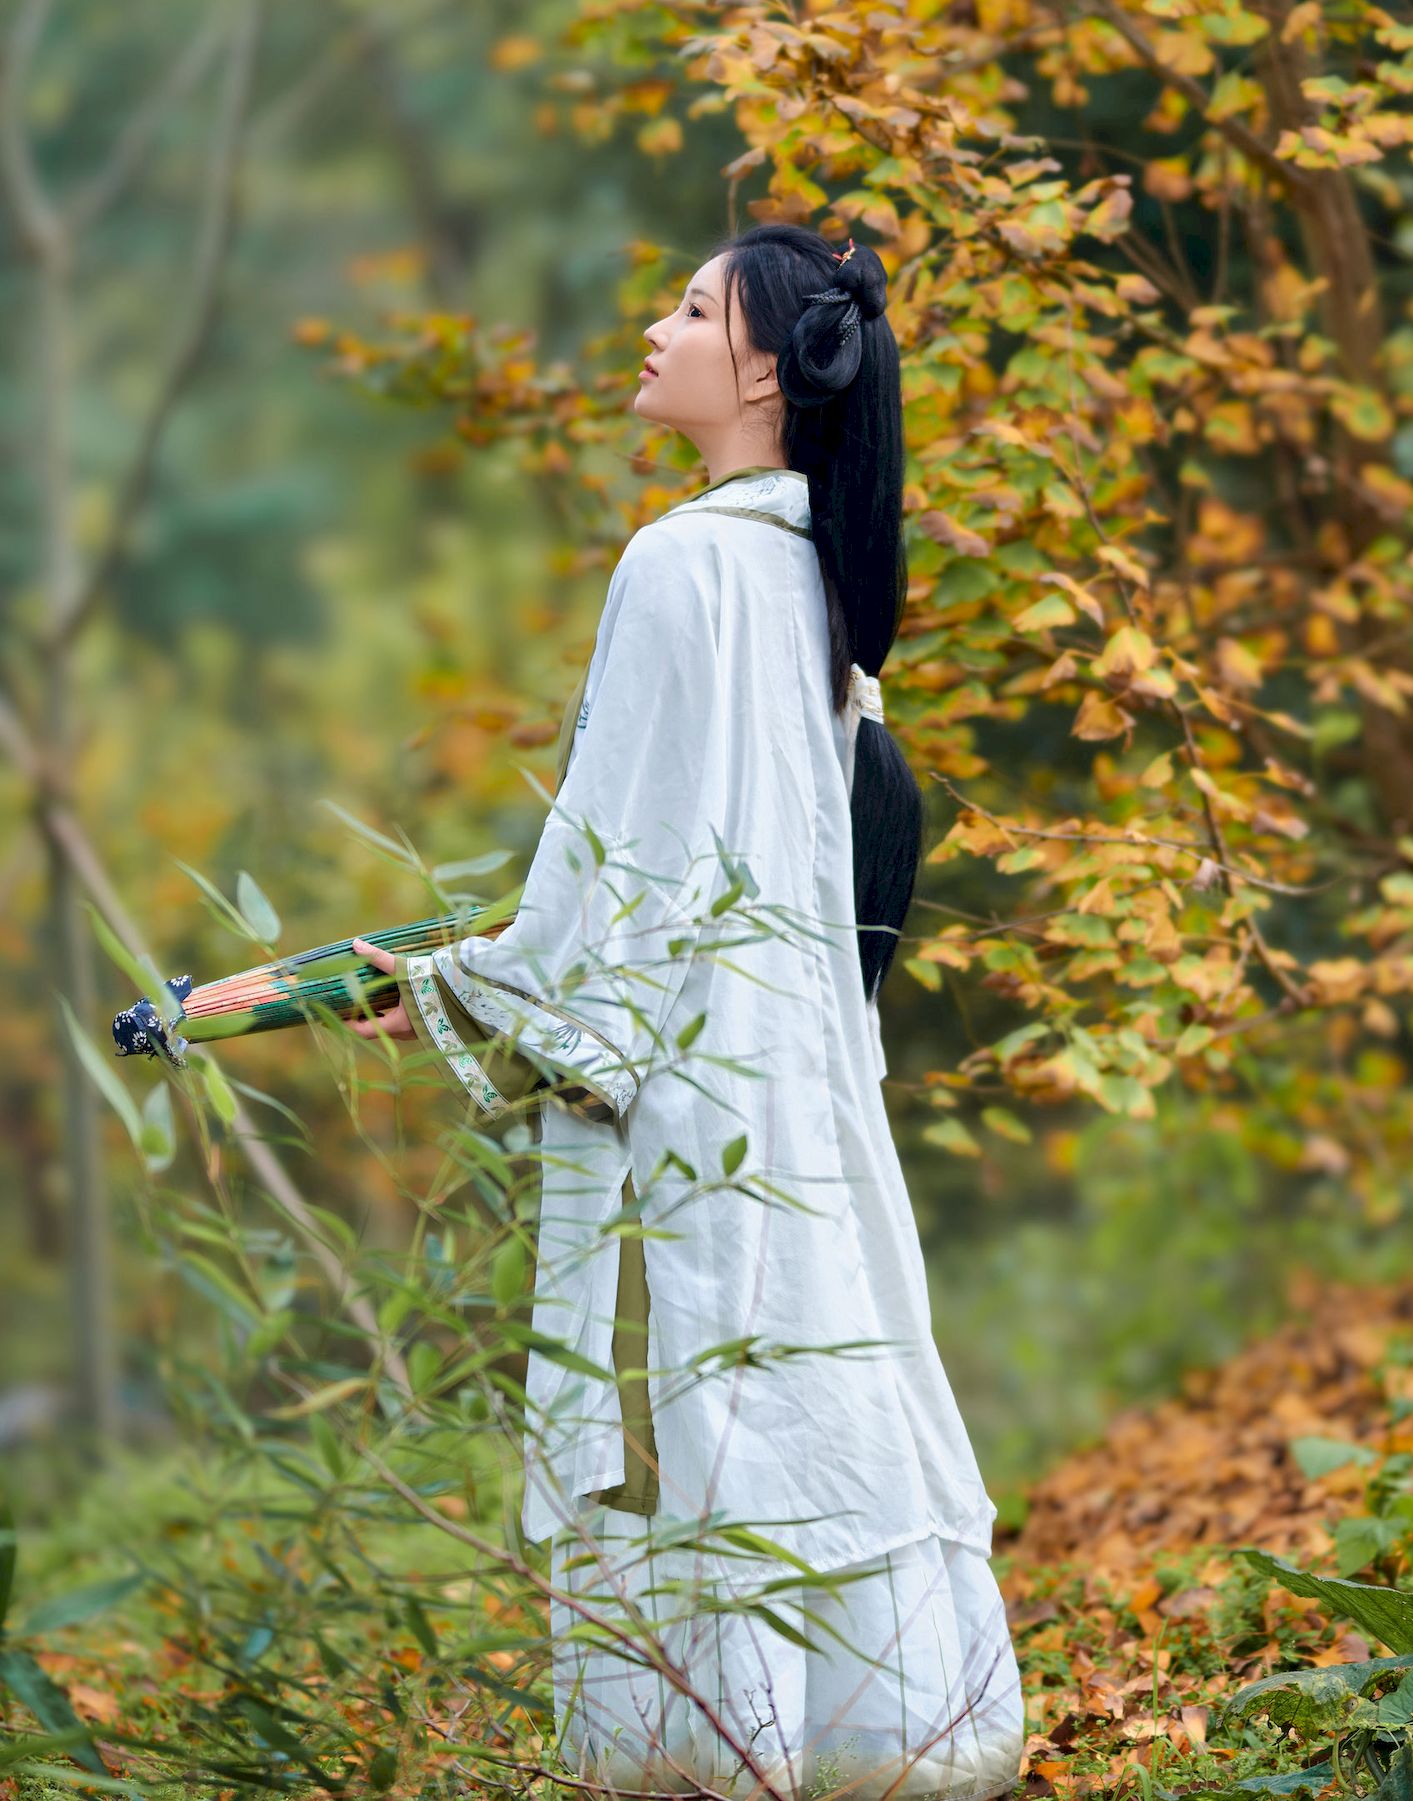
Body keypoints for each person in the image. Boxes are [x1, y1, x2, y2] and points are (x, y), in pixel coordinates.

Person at [350, 225, 1026, 1800]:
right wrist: (487, 971)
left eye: (693, 308)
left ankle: (741, 1757)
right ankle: (900, 1740)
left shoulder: (683, 562)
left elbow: (609, 879)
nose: (654, 328)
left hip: (702, 1088)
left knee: (722, 1400)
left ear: (770, 369)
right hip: (799, 1076)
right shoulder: (815, 581)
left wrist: (456, 983)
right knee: (823, 1371)